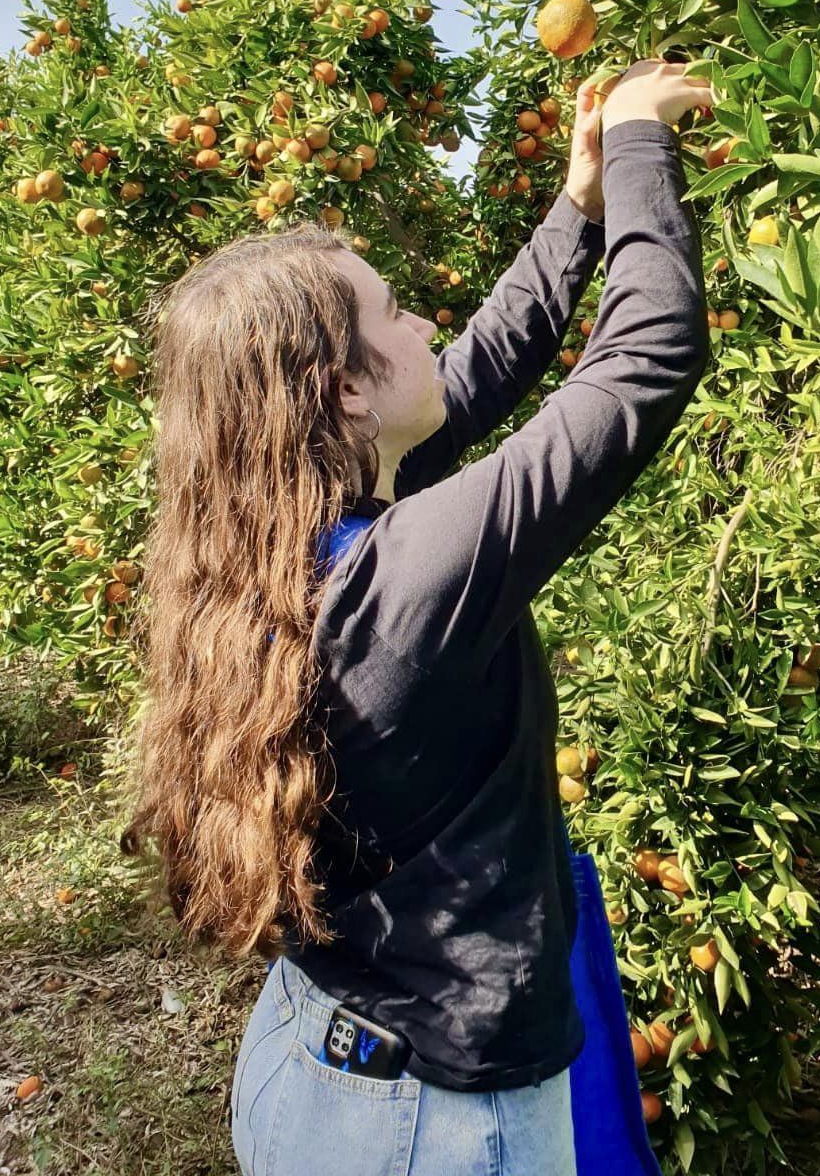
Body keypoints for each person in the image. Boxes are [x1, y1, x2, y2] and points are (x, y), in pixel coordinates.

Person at [119, 57, 713, 1175]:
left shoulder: (278, 539)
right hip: (430, 1130)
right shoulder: (404, 585)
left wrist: (579, 209)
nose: (429, 317)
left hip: (312, 1051)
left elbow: (468, 376)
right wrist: (641, 138)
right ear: (344, 389)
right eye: (395, 311)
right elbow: (647, 359)